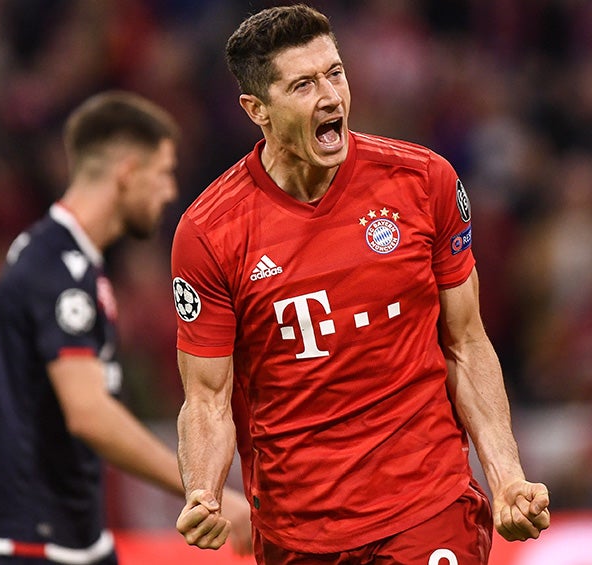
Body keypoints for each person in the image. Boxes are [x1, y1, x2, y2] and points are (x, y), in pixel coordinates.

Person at [170, 5, 550, 564]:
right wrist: (202, 490)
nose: (330, 97)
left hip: (427, 508)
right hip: (301, 533)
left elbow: (466, 343)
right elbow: (207, 396)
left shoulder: (424, 182)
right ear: (257, 110)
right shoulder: (211, 233)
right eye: (302, 84)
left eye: (335, 73)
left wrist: (508, 477)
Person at [0, 91, 251, 565]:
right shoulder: (56, 268)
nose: (170, 191)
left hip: (67, 537)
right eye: (163, 173)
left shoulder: (68, 262)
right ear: (128, 173)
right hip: (27, 545)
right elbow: (89, 413)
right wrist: (204, 491)